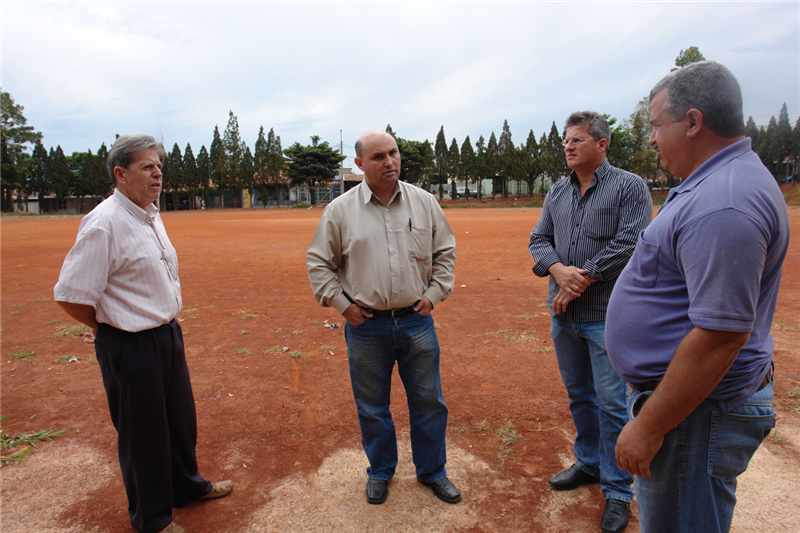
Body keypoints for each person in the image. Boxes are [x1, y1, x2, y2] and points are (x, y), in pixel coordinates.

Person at [606, 61, 789, 533]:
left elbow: (720, 336)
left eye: (654, 125)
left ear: (692, 122)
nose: (650, 138)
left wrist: (649, 426)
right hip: (691, 407)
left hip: (694, 413)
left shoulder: (724, 201)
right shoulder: (717, 182)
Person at [54, 135, 232, 533]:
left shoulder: (149, 213)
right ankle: (151, 518)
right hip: (130, 344)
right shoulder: (104, 223)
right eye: (147, 167)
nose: (158, 173)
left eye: (159, 166)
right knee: (143, 434)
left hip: (166, 335)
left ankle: (185, 488)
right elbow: (70, 295)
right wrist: (108, 327)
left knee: (179, 422)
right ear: (120, 174)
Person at [306, 130, 459, 505]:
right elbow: (318, 263)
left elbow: (445, 253)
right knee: (372, 406)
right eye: (378, 157)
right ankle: (380, 470)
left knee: (429, 402)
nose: (389, 162)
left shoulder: (424, 203)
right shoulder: (340, 211)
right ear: (359, 164)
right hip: (366, 326)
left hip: (416, 320)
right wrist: (343, 305)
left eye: (393, 153)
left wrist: (434, 293)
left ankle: (433, 471)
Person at [528, 111, 652, 533]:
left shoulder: (630, 187)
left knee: (613, 402)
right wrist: (558, 270)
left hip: (607, 318)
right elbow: (538, 239)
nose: (568, 146)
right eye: (567, 140)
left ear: (601, 144)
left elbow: (631, 242)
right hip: (563, 316)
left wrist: (581, 278)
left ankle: (619, 491)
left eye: (578, 140)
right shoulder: (557, 192)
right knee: (580, 395)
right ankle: (589, 463)